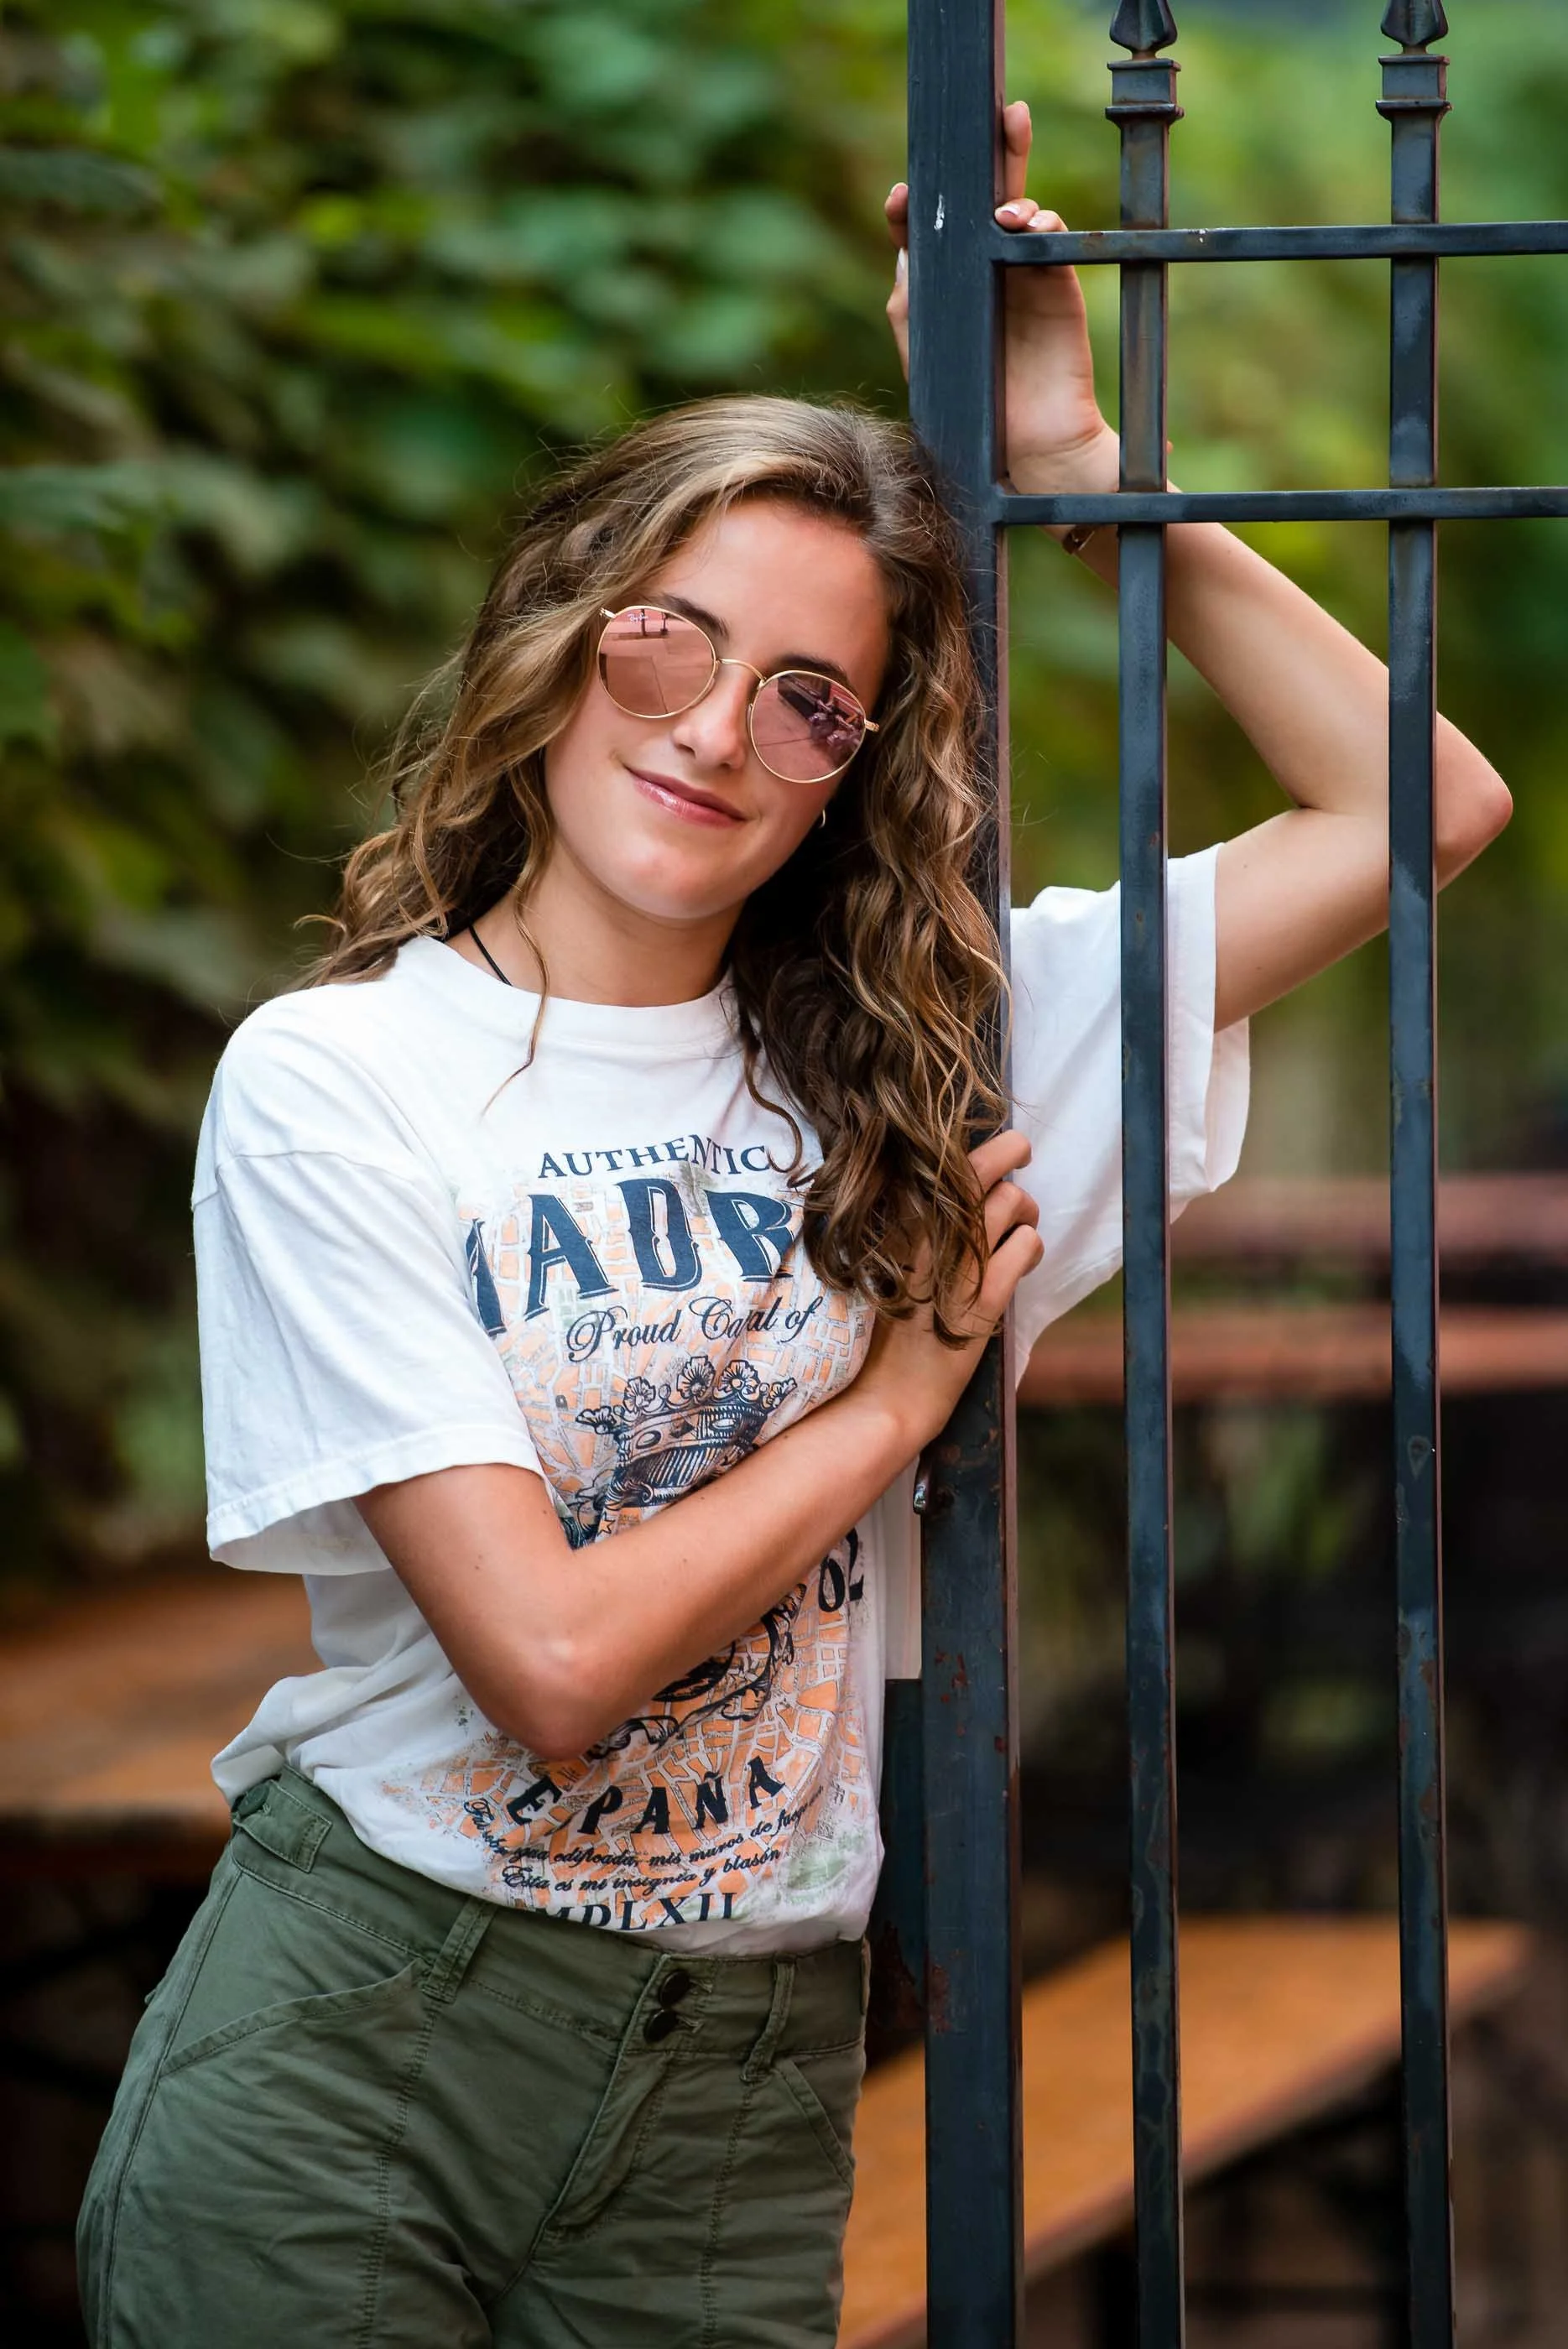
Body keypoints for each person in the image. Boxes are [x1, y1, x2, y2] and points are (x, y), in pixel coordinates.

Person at [78, 100, 1509, 2349]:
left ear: (857, 767)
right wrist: (895, 1402)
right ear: (561, 646)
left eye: (809, 699)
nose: (717, 732)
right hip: (373, 2038)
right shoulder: (340, 1081)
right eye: (668, 641)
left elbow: (1419, 802)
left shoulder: (950, 1052)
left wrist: (1076, 455)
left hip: (747, 2082)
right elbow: (543, 1667)